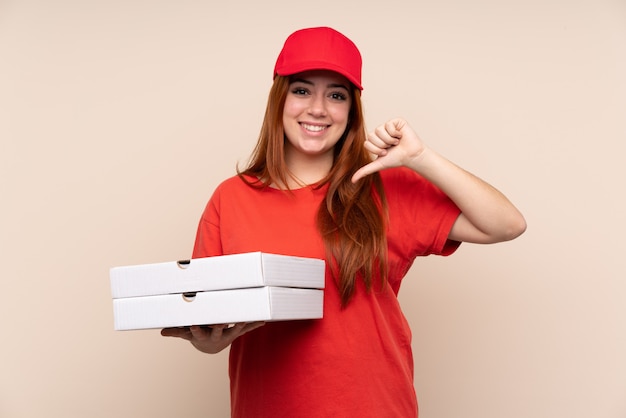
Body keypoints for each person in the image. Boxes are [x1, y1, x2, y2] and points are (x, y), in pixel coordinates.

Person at [161, 26, 526, 418]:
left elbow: (506, 224)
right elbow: (205, 317)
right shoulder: (231, 198)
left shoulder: (383, 186)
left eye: (336, 95)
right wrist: (209, 342)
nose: (317, 108)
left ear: (351, 111)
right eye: (302, 90)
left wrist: (420, 158)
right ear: (279, 100)